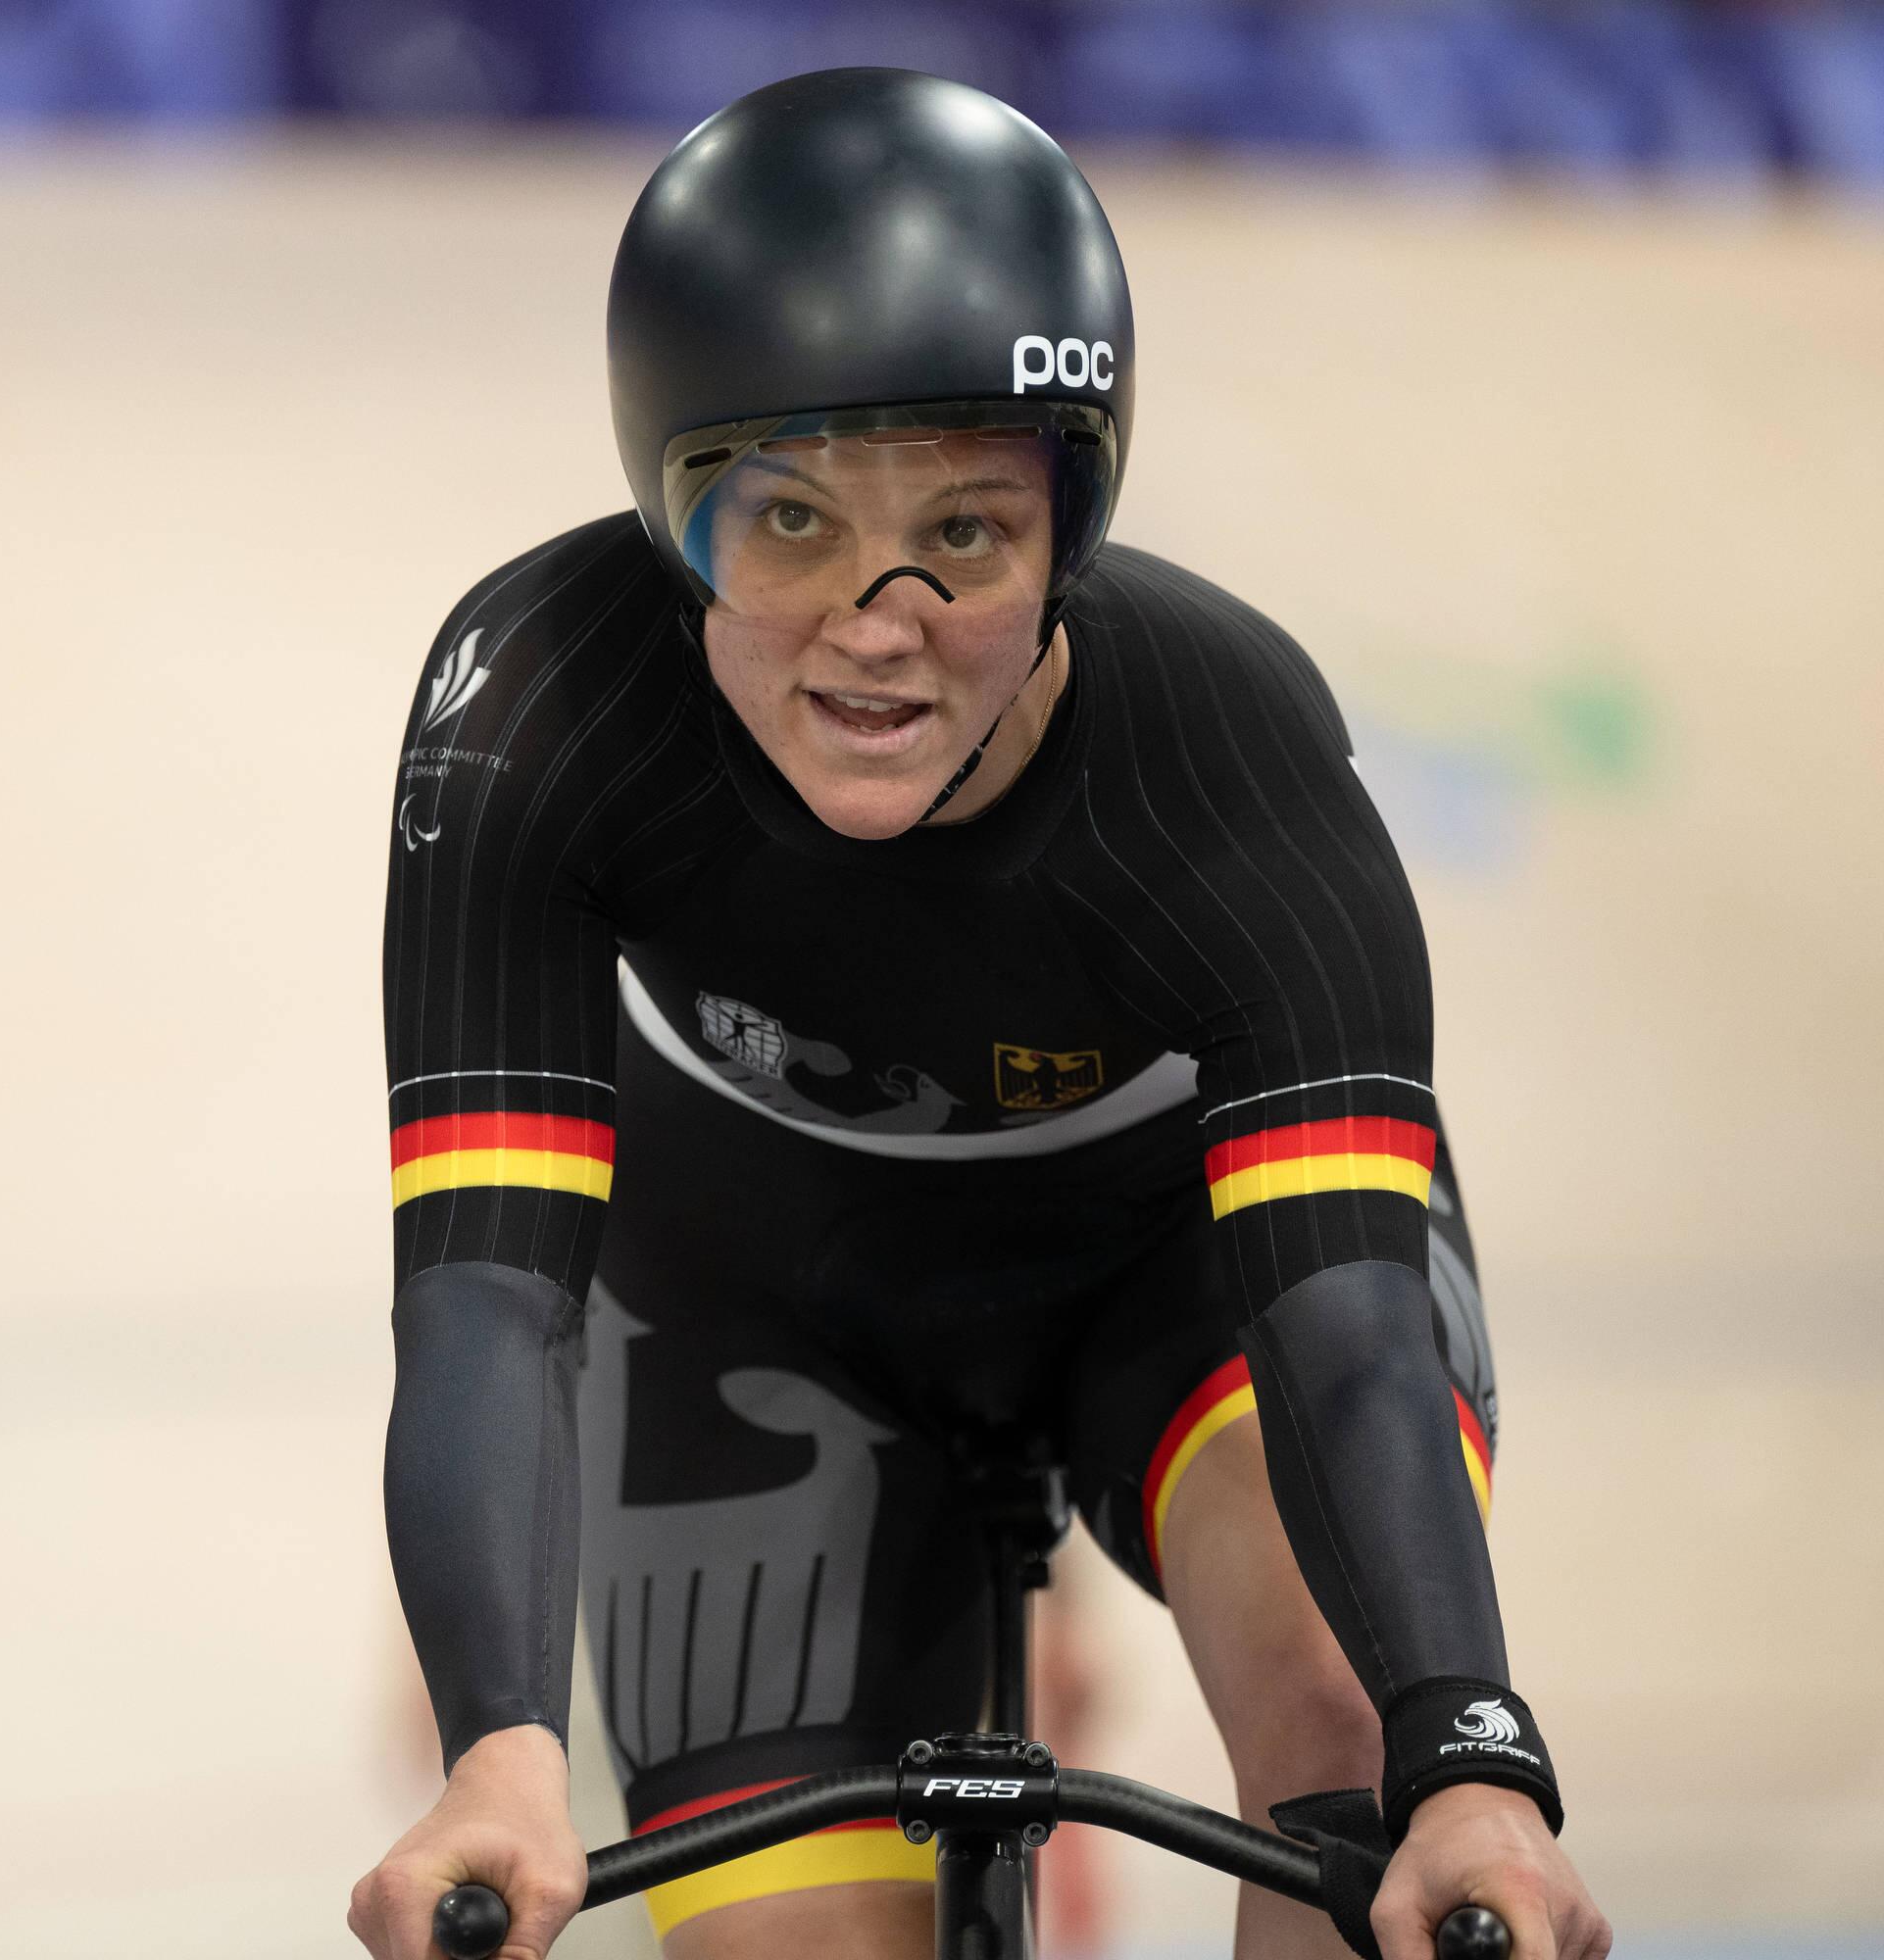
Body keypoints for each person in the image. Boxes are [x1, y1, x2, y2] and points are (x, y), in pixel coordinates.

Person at [348, 68, 1611, 1960]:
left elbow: (1347, 1326)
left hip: (1194, 1278)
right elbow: (489, 1293)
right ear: (669, 514)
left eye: (966, 532)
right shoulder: (539, 704)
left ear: (1072, 529)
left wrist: (1472, 1759)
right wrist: (501, 1748)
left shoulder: (1229, 749)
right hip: (753, 1311)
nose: (880, 621)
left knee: (1364, 1776)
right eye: (789, 521)